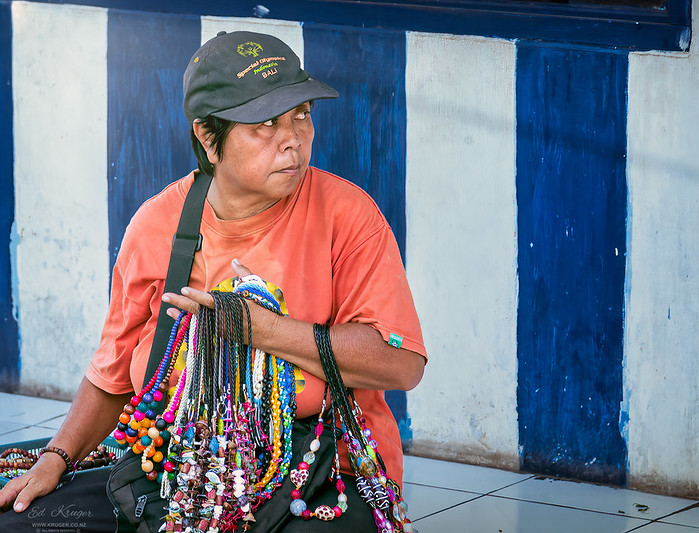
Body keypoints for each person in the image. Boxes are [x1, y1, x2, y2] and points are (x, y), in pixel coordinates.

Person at [0, 30, 426, 532]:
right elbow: (112, 377)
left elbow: (401, 364)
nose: (293, 138)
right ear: (208, 137)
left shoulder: (348, 216)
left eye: (302, 115)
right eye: (266, 122)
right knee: (25, 519)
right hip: (178, 466)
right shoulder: (158, 225)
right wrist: (57, 456)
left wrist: (259, 330)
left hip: (320, 472)